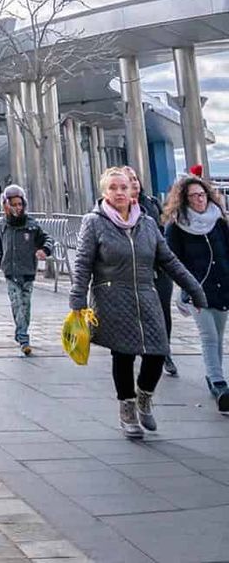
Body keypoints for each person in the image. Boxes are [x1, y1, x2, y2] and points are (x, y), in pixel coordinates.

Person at [69, 167, 205, 438]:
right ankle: (127, 409)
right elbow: (83, 262)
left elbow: (168, 260)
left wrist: (194, 289)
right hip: (111, 297)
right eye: (113, 188)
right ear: (105, 193)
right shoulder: (93, 222)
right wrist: (77, 300)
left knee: (157, 351)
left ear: (133, 191)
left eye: (124, 187)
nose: (119, 192)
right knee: (123, 354)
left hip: (146, 294)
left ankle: (144, 397)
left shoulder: (147, 223)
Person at [163, 174, 229, 414]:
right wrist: (186, 286)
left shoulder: (219, 222)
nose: (199, 200)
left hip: (222, 287)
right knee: (209, 336)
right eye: (193, 196)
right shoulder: (177, 226)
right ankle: (220, 385)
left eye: (202, 194)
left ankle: (215, 378)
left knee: (219, 337)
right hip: (196, 289)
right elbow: (172, 260)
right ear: (184, 199)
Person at [125, 166, 176, 375]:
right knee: (138, 313)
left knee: (163, 311)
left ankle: (165, 351)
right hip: (134, 270)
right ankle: (142, 349)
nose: (134, 183)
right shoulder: (115, 209)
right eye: (129, 180)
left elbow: (164, 233)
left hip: (159, 267)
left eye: (135, 179)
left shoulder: (152, 204)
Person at [0, 184, 53, 356]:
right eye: (14, 204)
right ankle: (23, 338)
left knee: (25, 306)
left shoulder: (31, 225)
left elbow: (47, 239)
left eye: (20, 204)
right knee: (17, 303)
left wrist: (44, 250)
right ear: (6, 205)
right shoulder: (3, 225)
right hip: (11, 272)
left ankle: (20, 332)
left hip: (27, 272)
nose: (18, 208)